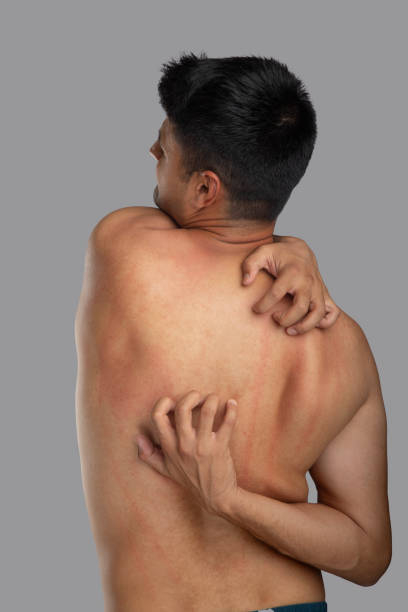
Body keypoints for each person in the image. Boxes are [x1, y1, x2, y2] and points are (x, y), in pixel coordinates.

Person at [74, 52, 391, 612]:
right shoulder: (345, 344)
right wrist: (294, 244)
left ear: (205, 189)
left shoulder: (124, 248)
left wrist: (224, 498)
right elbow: (368, 555)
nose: (152, 154)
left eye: (164, 149)